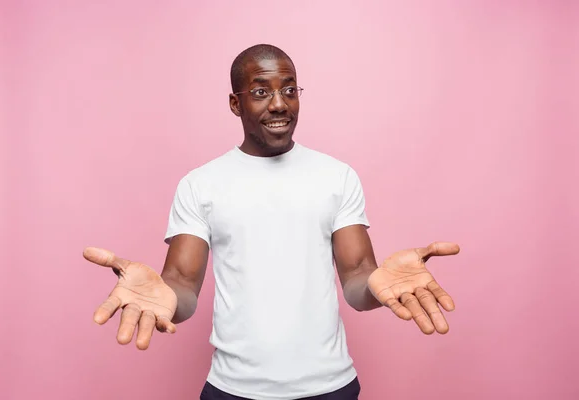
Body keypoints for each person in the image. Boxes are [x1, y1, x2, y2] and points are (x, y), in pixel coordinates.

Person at [83, 44, 460, 400]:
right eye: (261, 92)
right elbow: (181, 283)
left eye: (290, 90)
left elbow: (359, 276)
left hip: (331, 387)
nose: (280, 104)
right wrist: (163, 297)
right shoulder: (200, 184)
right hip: (233, 390)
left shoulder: (337, 176)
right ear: (236, 103)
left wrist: (379, 286)